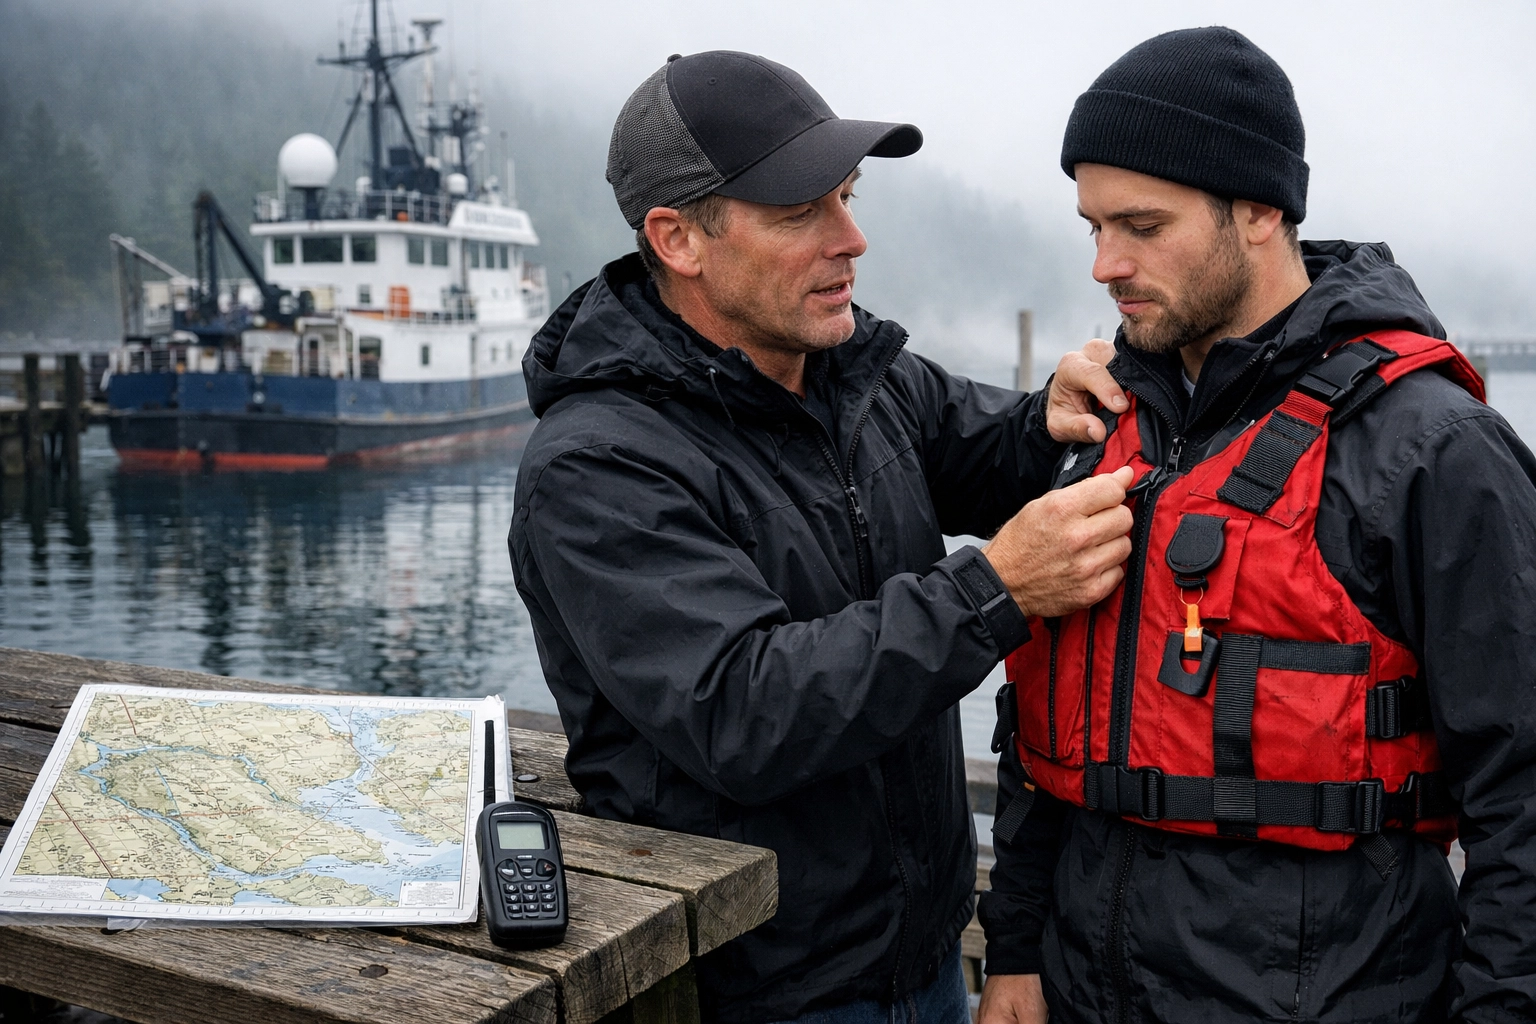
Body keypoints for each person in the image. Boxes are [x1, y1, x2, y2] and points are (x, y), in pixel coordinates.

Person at [509, 50, 1132, 1023]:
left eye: (847, 196)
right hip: (759, 987)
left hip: (923, 959)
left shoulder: (853, 370)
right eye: (803, 212)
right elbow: (741, 707)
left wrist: (1045, 413)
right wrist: (998, 586)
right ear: (677, 238)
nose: (853, 239)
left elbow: (982, 446)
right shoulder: (594, 466)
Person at [979, 26, 1536, 1024]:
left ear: (1259, 209)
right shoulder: (1106, 425)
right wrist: (1013, 948)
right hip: (1074, 991)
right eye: (1092, 226)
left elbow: (1525, 798)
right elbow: (1043, 724)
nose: (1106, 264)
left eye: (1142, 226)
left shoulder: (1431, 450)